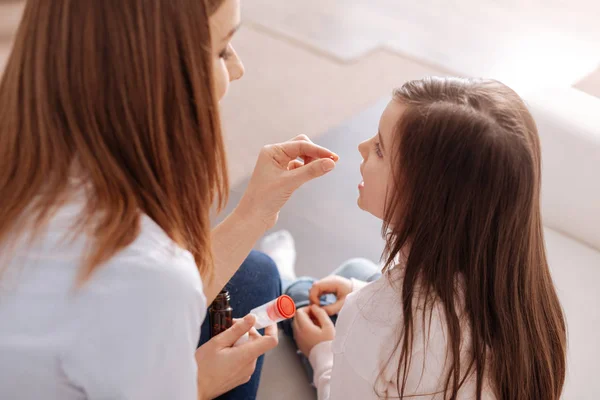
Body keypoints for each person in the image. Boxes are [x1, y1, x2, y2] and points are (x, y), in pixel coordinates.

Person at [0, 1, 338, 399]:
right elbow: (144, 287)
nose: (236, 69)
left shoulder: (33, 167)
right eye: (221, 49)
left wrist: (256, 211)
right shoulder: (146, 276)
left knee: (255, 273)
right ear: (155, 79)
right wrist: (196, 386)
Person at [267, 77, 568, 399]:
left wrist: (322, 352)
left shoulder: (370, 320)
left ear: (428, 196)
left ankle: (281, 279)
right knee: (356, 272)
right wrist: (359, 290)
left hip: (382, 341)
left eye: (380, 149)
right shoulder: (527, 302)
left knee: (302, 295)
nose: (362, 147)